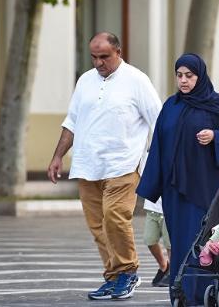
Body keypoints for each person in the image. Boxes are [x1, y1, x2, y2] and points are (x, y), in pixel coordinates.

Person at [47, 32, 162, 300]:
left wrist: (157, 161)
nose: (98, 63)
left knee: (115, 218)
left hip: (123, 164)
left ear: (118, 52)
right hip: (87, 165)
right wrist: (57, 156)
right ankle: (113, 276)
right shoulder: (85, 81)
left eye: (104, 57)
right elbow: (72, 122)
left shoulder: (137, 80)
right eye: (94, 57)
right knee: (97, 226)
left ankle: (128, 272)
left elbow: (158, 121)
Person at [136, 53, 219, 304]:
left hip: (204, 187)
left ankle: (203, 294)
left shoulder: (216, 104)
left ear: (199, 76)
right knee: (179, 242)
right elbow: (157, 144)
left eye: (189, 76)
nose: (183, 80)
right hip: (174, 190)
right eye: (179, 75)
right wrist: (152, 184)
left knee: (202, 240)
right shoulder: (171, 106)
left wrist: (216, 136)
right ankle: (180, 293)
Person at [143, 198, 171, 287]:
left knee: (169, 245)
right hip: (152, 208)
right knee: (149, 240)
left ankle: (172, 272)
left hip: (169, 209)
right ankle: (164, 266)